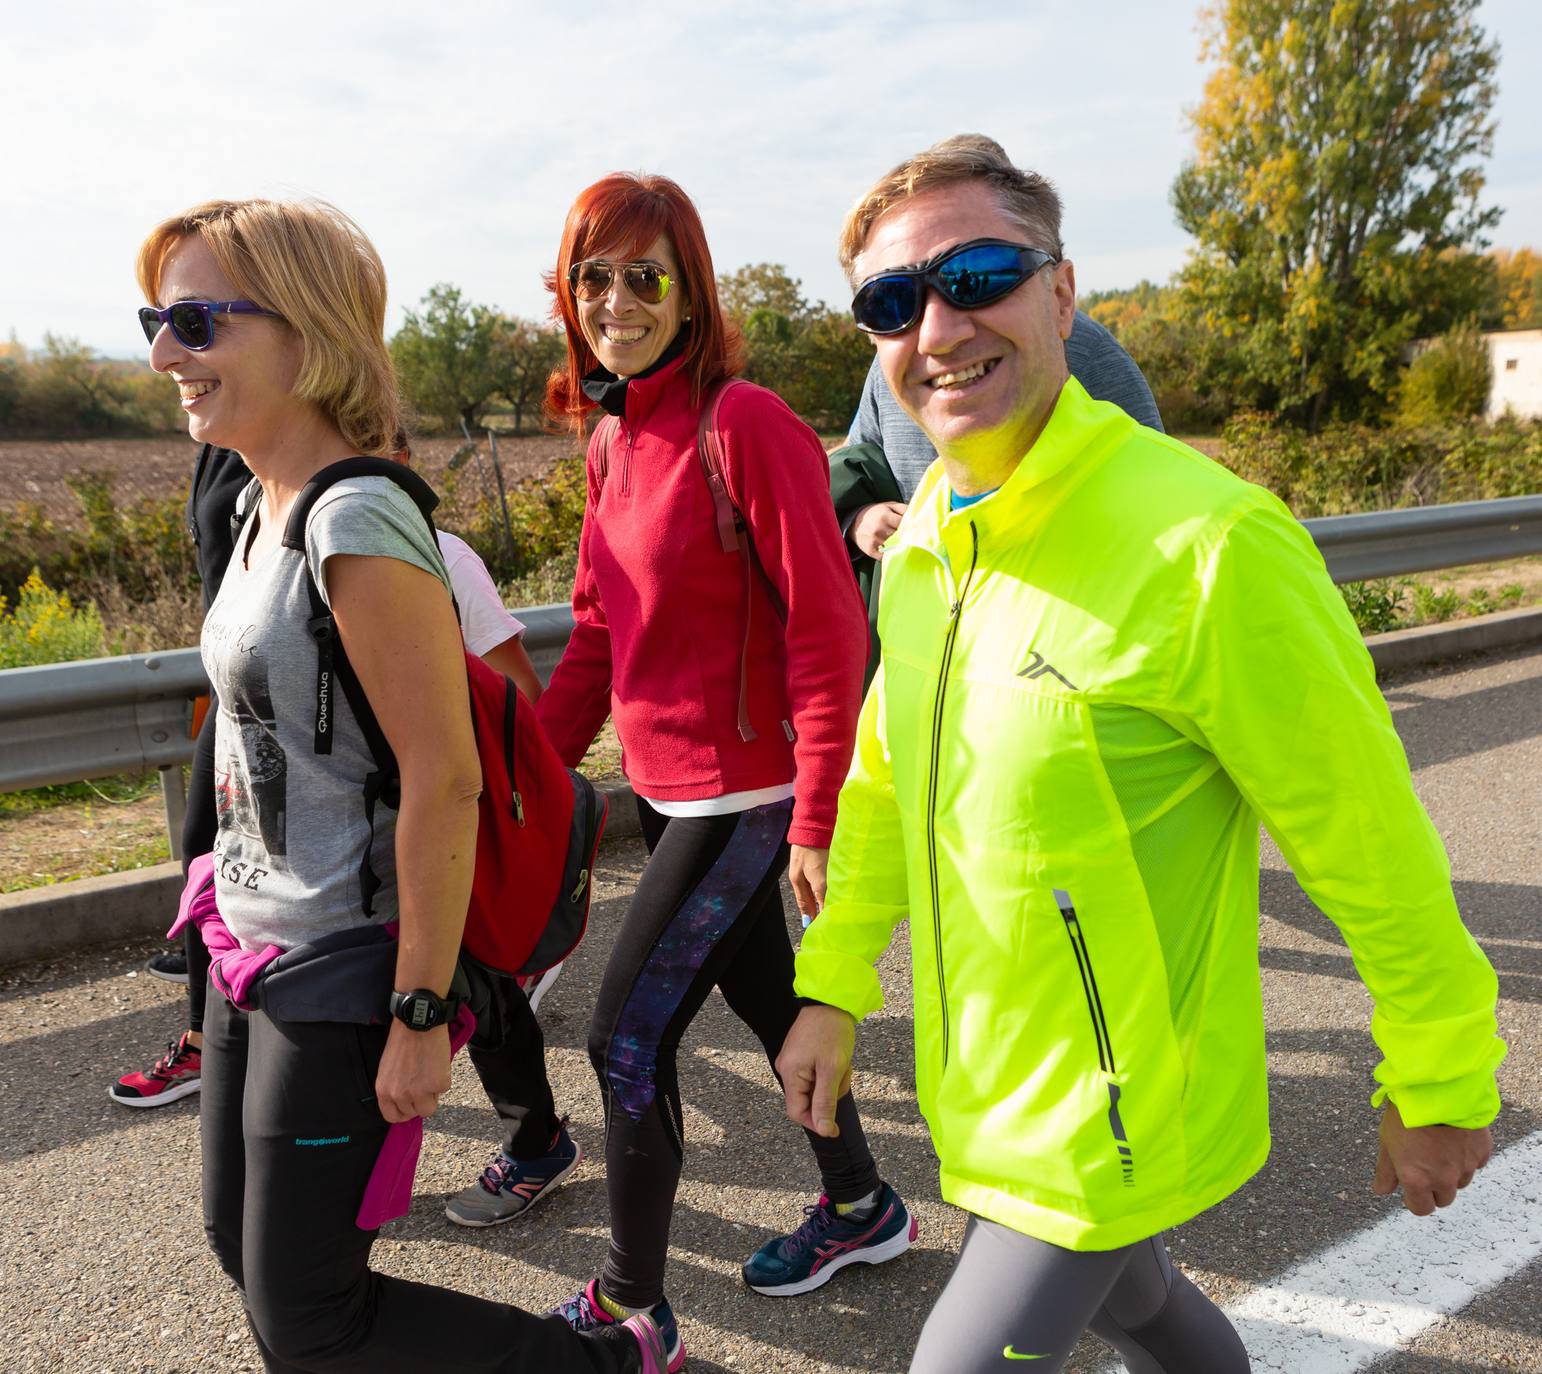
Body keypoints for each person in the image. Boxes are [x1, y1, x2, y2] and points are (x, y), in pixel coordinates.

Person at [778, 135, 1505, 1374]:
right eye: (893, 302)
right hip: (991, 1081)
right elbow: (886, 779)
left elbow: (1363, 832)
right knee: (1146, 1310)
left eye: (981, 272)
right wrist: (836, 982)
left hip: (1105, 1115)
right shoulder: (922, 545)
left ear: (1062, 293)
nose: (938, 326)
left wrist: (1442, 1075)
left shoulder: (1210, 545)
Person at [138, 196, 666, 1374]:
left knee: (312, 1322)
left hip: (348, 960)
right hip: (252, 940)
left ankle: (613, 1366)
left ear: (304, 330)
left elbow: (447, 779)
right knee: (246, 1249)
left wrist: (425, 1015)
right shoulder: (250, 504)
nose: (165, 354)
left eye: (194, 321)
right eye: (155, 321)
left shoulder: (359, 519)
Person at [533, 172, 914, 1370]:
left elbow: (826, 625)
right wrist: (529, 782)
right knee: (765, 1003)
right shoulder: (610, 439)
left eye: (644, 276)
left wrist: (813, 815)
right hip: (663, 791)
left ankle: (632, 1307)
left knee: (622, 1040)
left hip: (746, 801)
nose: (616, 300)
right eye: (594, 277)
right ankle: (860, 1203)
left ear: (690, 290)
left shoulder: (741, 422)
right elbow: (598, 631)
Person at [110, 444, 249, 1107]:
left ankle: (208, 1041)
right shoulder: (218, 440)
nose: (167, 351)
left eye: (192, 331)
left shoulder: (280, 424)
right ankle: (212, 1024)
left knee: (211, 852)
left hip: (283, 690)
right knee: (203, 859)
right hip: (234, 684)